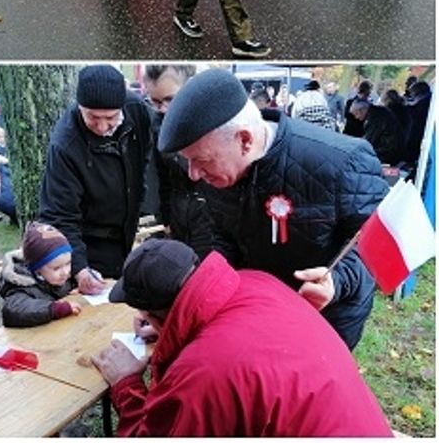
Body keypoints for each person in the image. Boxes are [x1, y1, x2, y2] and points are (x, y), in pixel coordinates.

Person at [158, 68, 387, 349]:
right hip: (260, 307)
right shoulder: (212, 168)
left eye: (201, 161)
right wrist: (187, 305)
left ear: (244, 140)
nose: (193, 174)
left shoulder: (343, 161)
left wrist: (336, 281)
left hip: (324, 312)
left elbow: (373, 243)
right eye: (187, 161)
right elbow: (222, 234)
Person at [92, 239, 392, 436]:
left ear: (155, 315)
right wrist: (172, 333)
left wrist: (125, 384)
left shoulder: (204, 372)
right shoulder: (257, 281)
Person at [38, 65, 153, 289]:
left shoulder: (137, 110)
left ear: (122, 108)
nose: (101, 127)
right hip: (90, 239)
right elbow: (59, 214)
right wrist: (80, 269)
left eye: (110, 117)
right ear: (80, 107)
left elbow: (154, 156)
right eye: (92, 117)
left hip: (127, 225)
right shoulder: (65, 144)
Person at [142, 65, 215, 258]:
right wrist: (165, 218)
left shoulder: (212, 119)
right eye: (156, 102)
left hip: (211, 213)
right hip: (179, 214)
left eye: (170, 99)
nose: (164, 110)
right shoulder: (157, 125)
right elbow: (162, 178)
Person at [0, 221, 82, 328]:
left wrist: (77, 287)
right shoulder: (22, 285)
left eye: (68, 263)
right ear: (37, 270)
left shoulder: (58, 276)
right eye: (57, 268)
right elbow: (13, 310)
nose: (65, 272)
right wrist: (54, 309)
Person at [348, 98, 402, 165]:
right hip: (392, 148)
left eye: (356, 114)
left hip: (388, 152)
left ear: (362, 110)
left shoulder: (375, 117)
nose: (356, 117)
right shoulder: (377, 111)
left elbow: (368, 141)